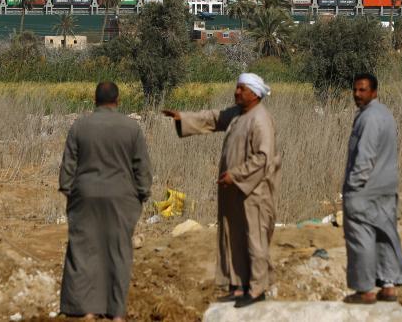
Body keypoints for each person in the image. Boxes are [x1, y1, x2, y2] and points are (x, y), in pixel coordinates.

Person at [162, 73, 281, 308]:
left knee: (255, 239)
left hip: (254, 191)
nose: (237, 92)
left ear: (255, 94)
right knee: (233, 236)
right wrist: (183, 117)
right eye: (237, 88)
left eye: (242, 89)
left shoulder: (260, 119)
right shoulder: (238, 114)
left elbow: (263, 158)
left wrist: (235, 175)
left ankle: (257, 288)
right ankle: (238, 287)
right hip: (234, 191)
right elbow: (215, 118)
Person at [58, 81, 153, 321]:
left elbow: (69, 164)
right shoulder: (131, 128)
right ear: (117, 100)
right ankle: (116, 312)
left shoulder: (80, 126)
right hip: (121, 198)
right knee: (118, 252)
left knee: (83, 251)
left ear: (95, 100)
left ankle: (87, 310)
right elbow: (141, 165)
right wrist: (142, 193)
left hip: (85, 196)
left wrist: (69, 190)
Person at [341, 73, 402, 304]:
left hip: (365, 190)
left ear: (374, 92)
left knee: (361, 238)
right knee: (385, 235)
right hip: (386, 189)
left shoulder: (369, 117)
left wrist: (352, 187)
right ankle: (388, 286)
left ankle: (365, 290)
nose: (357, 94)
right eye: (355, 89)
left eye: (362, 90)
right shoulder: (385, 114)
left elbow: (365, 157)